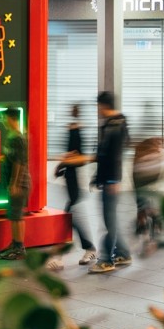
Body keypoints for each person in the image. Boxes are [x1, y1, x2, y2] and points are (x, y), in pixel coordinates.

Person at [48, 104, 96, 271]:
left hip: (76, 182)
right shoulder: (72, 129)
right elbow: (72, 155)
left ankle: (60, 256)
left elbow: (78, 157)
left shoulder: (77, 131)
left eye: (74, 109)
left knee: (67, 220)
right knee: (71, 219)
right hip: (71, 181)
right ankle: (89, 249)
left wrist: (62, 163)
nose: (71, 111)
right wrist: (62, 165)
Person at [89, 91, 131, 274]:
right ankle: (123, 253)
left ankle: (107, 259)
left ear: (104, 105)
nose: (97, 110)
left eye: (98, 106)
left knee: (109, 220)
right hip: (107, 178)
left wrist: (113, 179)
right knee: (111, 218)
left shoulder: (115, 126)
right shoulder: (115, 124)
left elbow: (114, 155)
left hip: (111, 180)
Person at [0, 106, 30, 260]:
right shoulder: (13, 136)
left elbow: (20, 163)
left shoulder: (18, 138)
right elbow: (11, 156)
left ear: (12, 119)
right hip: (15, 183)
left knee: (17, 216)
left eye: (4, 118)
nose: (2, 121)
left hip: (20, 184)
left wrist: (15, 184)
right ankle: (15, 244)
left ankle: (19, 248)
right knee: (14, 215)